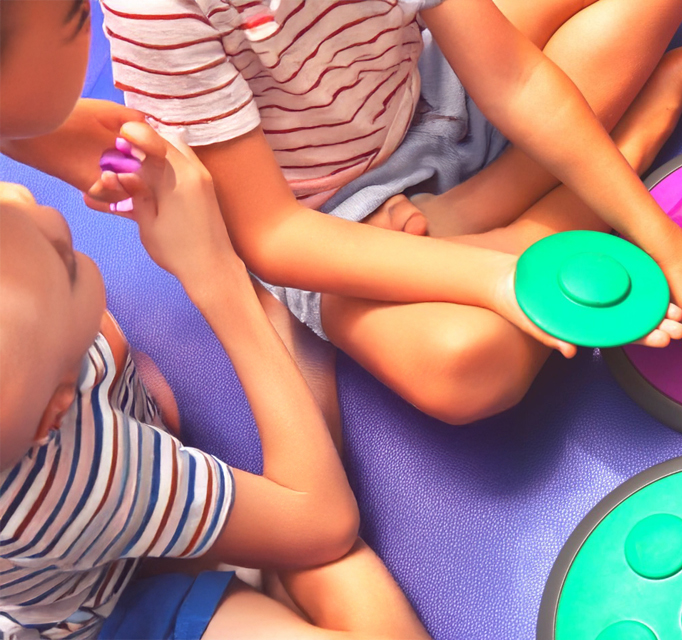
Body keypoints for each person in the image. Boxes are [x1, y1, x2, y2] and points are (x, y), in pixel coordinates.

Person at [33, 0, 682, 425]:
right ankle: (614, 159)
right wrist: (504, 280)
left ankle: (473, 211)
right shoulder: (161, 14)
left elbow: (514, 81)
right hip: (337, 220)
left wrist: (658, 233)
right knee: (468, 368)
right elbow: (275, 236)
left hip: (433, 89)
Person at [1, 2, 427, 638]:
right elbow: (322, 522)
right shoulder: (78, 474)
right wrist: (218, 275)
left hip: (97, 485)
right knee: (353, 584)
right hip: (107, 599)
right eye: (64, 262)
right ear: (57, 406)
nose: (34, 205)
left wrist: (32, 133)